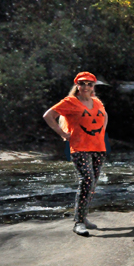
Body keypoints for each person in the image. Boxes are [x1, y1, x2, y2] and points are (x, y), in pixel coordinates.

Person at [43, 72, 108, 236]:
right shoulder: (70, 102)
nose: (86, 87)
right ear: (77, 85)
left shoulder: (97, 102)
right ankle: (78, 222)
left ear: (93, 86)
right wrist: (63, 134)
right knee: (87, 179)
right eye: (82, 83)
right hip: (79, 148)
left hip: (99, 148)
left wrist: (102, 132)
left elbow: (104, 116)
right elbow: (48, 115)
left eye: (90, 84)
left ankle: (83, 217)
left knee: (92, 184)